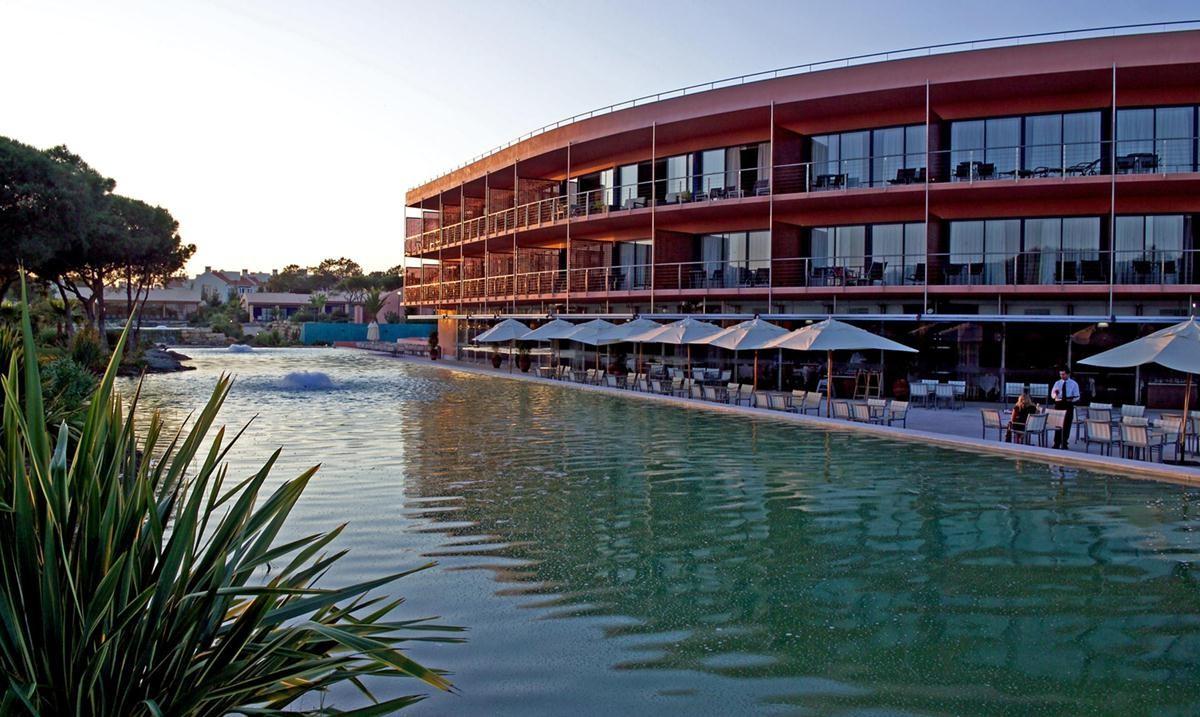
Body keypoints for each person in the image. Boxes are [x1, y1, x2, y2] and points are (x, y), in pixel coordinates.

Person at [1050, 366, 1081, 449]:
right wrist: (1055, 394)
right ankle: (1056, 443)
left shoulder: (1074, 384)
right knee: (1058, 424)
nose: (1062, 376)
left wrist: (1072, 400)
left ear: (1068, 374)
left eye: (1063, 374)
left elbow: (1077, 396)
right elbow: (1052, 395)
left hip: (1068, 404)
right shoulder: (1057, 383)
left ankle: (1064, 443)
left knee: (1067, 424)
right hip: (1059, 403)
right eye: (1060, 374)